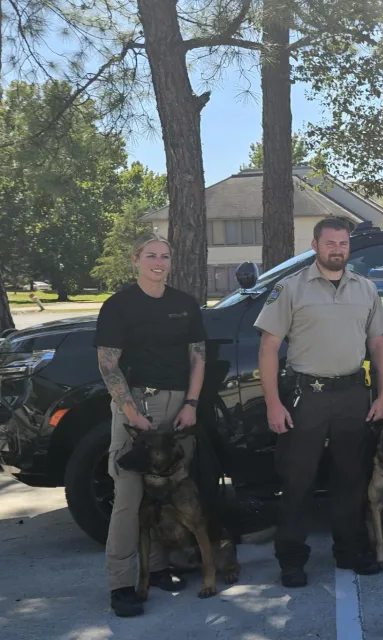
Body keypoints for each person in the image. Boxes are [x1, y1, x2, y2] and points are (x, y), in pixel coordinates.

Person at [255, 217, 383, 586]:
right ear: (315, 246)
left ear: (350, 247)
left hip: (352, 395)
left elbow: (378, 344)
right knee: (298, 480)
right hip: (306, 397)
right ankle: (292, 561)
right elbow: (268, 347)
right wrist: (273, 403)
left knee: (351, 478)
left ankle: (350, 551)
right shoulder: (290, 289)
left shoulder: (365, 289)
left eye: (343, 243)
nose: (337, 250)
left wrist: (381, 394)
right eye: (330, 243)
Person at [94, 233, 207, 617]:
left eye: (165, 256)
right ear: (135, 260)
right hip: (136, 405)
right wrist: (131, 414)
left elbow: (198, 358)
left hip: (178, 407)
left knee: (170, 491)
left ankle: (157, 568)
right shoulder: (118, 306)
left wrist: (191, 403)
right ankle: (122, 583)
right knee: (128, 496)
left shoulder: (184, 304)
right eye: (151, 256)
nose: (159, 262)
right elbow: (108, 365)